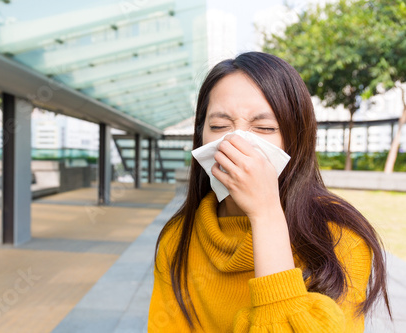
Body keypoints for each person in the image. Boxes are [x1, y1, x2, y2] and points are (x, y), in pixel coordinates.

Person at [148, 52, 391, 332]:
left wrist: (265, 216)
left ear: (296, 138)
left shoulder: (339, 238)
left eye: (264, 127)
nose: (237, 142)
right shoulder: (177, 239)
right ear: (201, 133)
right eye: (219, 126)